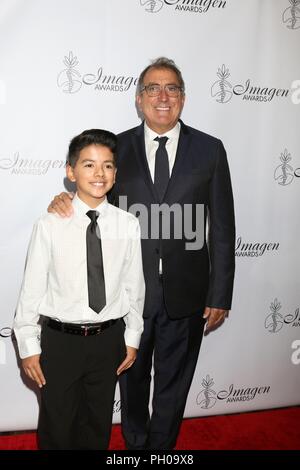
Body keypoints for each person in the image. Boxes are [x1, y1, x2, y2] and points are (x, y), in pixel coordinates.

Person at [48, 57, 235, 450]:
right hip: (129, 295)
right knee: (132, 382)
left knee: (174, 384)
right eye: (153, 88)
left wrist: (220, 293)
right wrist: (62, 202)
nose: (162, 96)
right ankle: (136, 445)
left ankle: (160, 449)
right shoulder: (118, 148)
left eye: (172, 89)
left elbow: (222, 226)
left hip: (188, 293)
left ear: (183, 98)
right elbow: (92, 194)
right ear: (138, 99)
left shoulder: (211, 149)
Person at [13, 129, 145, 450]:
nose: (99, 174)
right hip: (61, 343)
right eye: (88, 165)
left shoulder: (127, 224)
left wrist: (131, 337)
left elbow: (134, 287)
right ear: (71, 171)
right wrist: (28, 344)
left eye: (108, 166)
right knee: (57, 426)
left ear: (115, 172)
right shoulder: (49, 224)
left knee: (97, 425)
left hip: (108, 340)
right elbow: (32, 288)